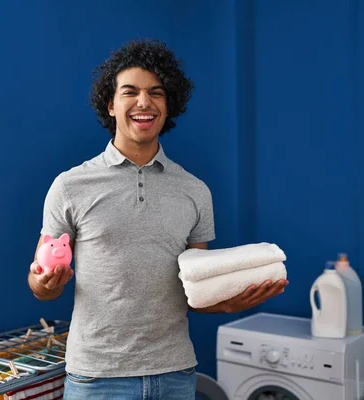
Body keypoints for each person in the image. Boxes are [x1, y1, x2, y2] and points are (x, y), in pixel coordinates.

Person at [27, 39, 289, 399]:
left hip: (174, 374)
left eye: (156, 93)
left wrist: (228, 302)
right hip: (97, 379)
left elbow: (197, 289)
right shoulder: (70, 187)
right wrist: (48, 283)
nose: (144, 102)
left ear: (169, 105)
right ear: (111, 104)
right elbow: (40, 283)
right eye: (130, 92)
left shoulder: (195, 191)